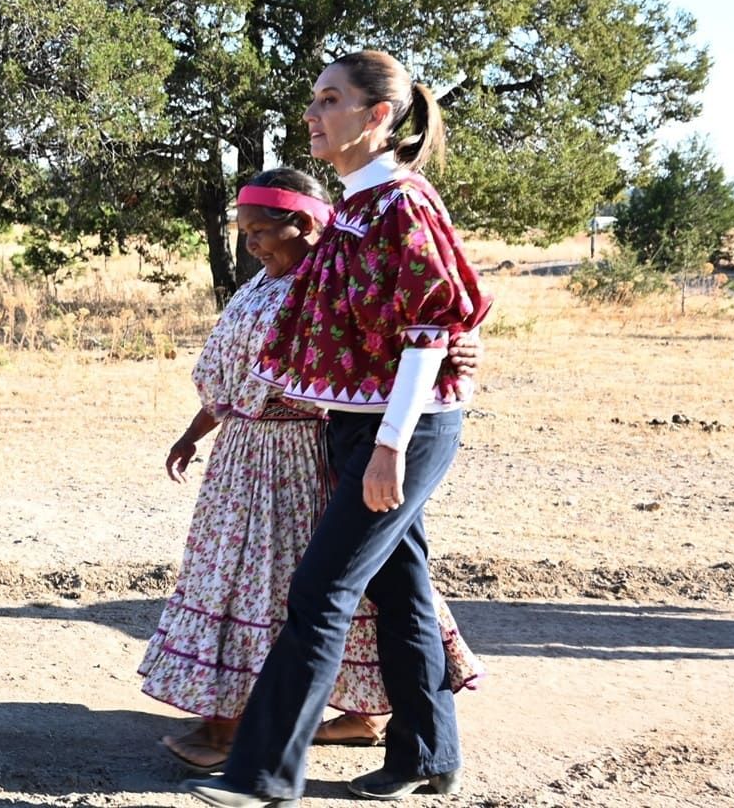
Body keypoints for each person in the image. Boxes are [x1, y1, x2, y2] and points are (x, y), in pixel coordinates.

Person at [185, 50, 491, 806]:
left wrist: (389, 445)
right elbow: (335, 324)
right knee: (404, 593)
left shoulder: (402, 203)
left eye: (329, 101)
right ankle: (428, 753)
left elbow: (432, 325)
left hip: (399, 434)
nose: (312, 116)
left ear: (377, 116)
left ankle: (261, 776)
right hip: (357, 427)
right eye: (314, 101)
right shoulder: (357, 207)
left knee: (320, 591)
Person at [139, 168, 481, 775]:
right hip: (245, 457)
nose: (252, 244)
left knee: (292, 589)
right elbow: (230, 377)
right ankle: (308, 721)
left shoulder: (330, 283)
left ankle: (245, 731)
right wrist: (193, 434)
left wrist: (456, 347)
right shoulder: (257, 288)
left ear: (307, 224)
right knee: (275, 584)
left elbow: (414, 328)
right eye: (243, 232)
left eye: (262, 230)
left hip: (303, 458)